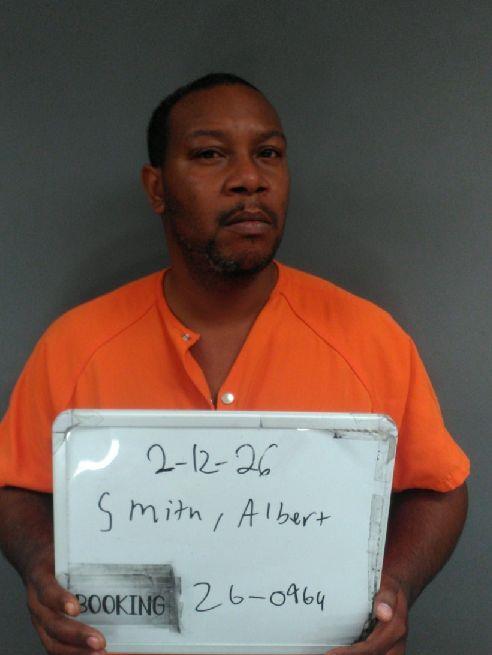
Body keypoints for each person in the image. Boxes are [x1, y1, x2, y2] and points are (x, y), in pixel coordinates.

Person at [0, 73, 469, 655]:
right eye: (210, 154)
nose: (250, 178)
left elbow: (439, 489)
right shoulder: (76, 343)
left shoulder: (368, 338)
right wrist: (43, 567)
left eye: (268, 153)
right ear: (157, 187)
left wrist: (395, 586)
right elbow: (14, 484)